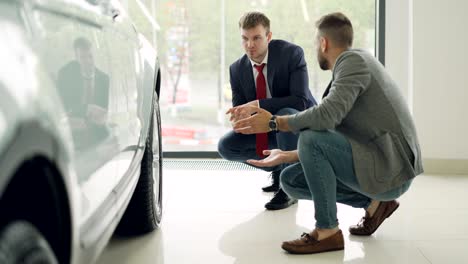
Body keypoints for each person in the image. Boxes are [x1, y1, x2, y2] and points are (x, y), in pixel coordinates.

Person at [233, 12, 423, 254]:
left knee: (311, 137)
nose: (315, 48)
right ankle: (375, 204)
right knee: (290, 180)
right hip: (380, 160)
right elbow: (331, 137)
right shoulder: (355, 63)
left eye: (315, 43)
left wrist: (274, 122)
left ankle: (327, 231)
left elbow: (325, 118)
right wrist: (288, 155)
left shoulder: (353, 63)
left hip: (392, 168)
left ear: (323, 43)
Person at [218, 11, 317, 210]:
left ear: (268, 37)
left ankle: (290, 187)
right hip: (267, 129)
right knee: (226, 146)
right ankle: (279, 168)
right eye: (245, 39)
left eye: (256, 38)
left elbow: (300, 102)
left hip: (298, 128)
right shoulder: (236, 69)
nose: (250, 45)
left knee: (285, 112)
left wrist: (258, 104)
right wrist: (240, 120)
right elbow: (242, 108)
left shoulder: (291, 54)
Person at [57, 37, 110, 149]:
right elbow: (62, 107)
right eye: (82, 57)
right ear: (76, 58)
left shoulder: (105, 80)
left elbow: (105, 113)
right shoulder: (65, 75)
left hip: (98, 137)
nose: (88, 61)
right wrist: (87, 109)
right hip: (71, 138)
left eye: (90, 56)